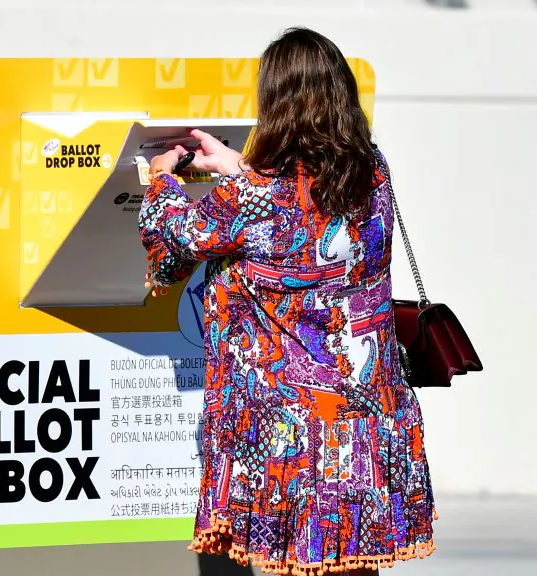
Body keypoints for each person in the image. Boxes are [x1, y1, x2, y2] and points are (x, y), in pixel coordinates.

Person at [138, 28, 436, 576]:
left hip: (292, 433)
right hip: (367, 418)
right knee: (354, 562)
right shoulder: (373, 171)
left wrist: (161, 177)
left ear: (276, 101)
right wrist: (238, 168)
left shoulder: (255, 196)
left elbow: (176, 233)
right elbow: (302, 207)